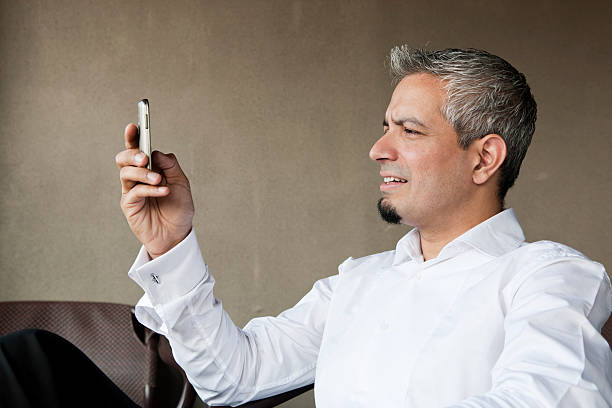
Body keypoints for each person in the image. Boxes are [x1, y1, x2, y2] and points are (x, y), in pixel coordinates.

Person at [1, 46, 610, 408]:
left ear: (485, 158)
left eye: (410, 130)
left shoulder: (549, 277)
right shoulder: (356, 283)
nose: (378, 148)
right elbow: (231, 379)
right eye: (385, 126)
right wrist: (170, 242)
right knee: (30, 360)